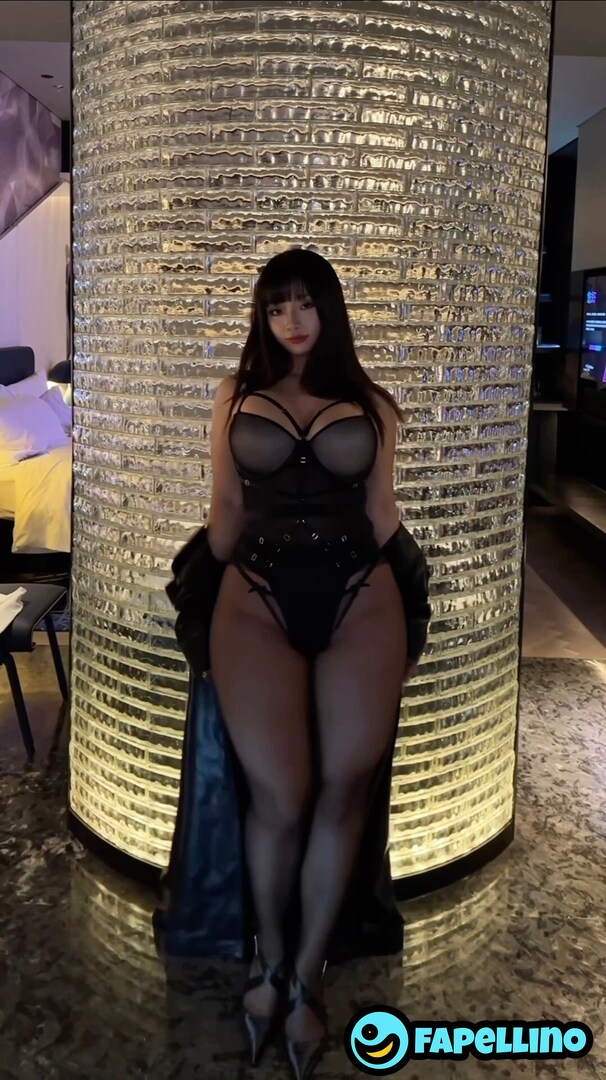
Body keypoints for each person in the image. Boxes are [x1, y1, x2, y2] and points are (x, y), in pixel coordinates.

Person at [205, 247, 418, 1080]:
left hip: (361, 592)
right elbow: (225, 511)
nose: (291, 320)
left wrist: (422, 605)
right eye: (275, 306)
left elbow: (382, 511)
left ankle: (305, 976)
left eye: (305, 302)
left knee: (342, 790)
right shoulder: (233, 395)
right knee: (281, 794)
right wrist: (187, 592)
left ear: (330, 308)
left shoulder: (373, 404)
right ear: (262, 317)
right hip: (255, 592)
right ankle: (268, 961)